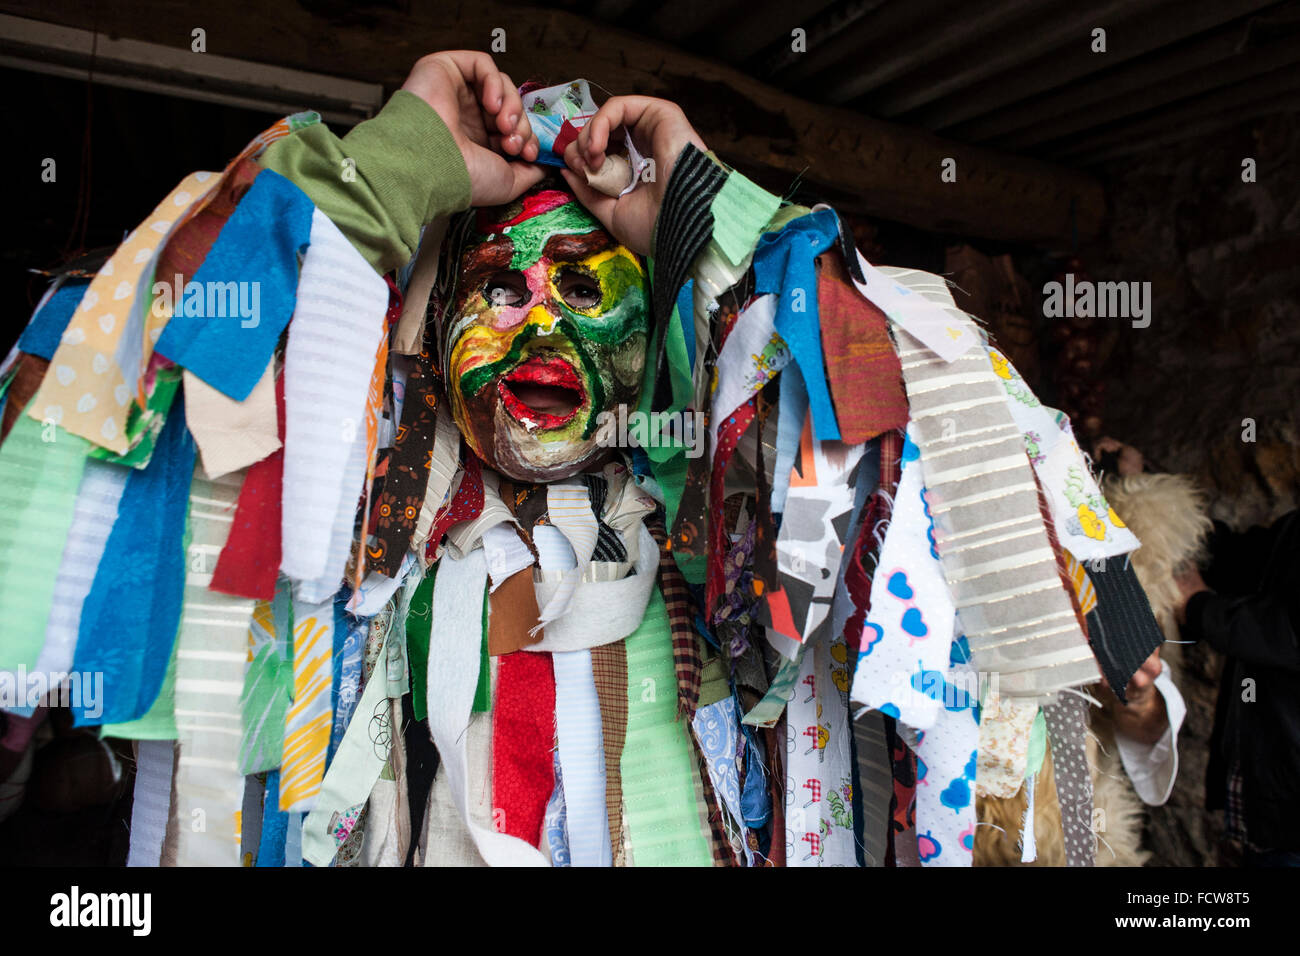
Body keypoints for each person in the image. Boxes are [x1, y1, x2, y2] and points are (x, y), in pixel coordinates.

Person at [1176, 508, 1300, 866]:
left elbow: (1289, 630)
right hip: (1269, 795)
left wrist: (1199, 608)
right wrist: (1159, 497)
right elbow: (1246, 560)